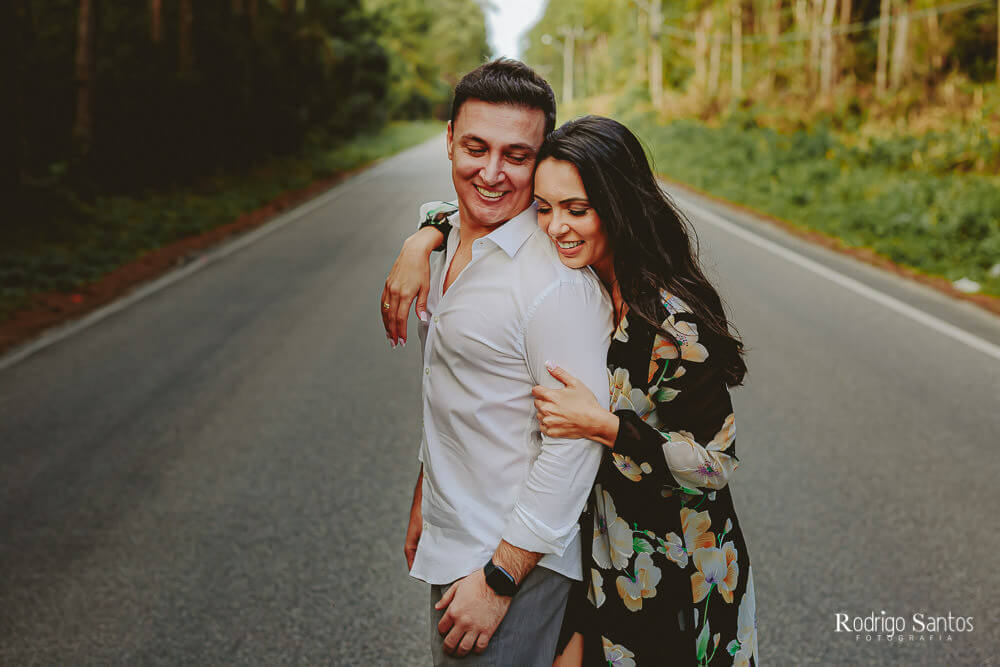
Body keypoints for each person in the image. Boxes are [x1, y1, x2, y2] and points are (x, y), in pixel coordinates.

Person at [384, 116, 757, 666]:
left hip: (680, 568)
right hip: (597, 553)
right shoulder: (582, 280)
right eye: (545, 207)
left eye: (576, 210)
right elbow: (476, 211)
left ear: (618, 206)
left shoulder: (673, 324)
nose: (555, 227)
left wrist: (606, 427)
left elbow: (715, 465)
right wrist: (424, 239)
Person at [383, 59, 614, 666]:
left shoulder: (553, 284)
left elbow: (575, 447)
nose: (490, 173)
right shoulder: (453, 235)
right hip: (459, 533)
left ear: (542, 161)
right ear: (449, 142)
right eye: (475, 148)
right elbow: (465, 395)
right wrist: (425, 492)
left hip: (512, 562)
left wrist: (499, 581)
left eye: (516, 156)